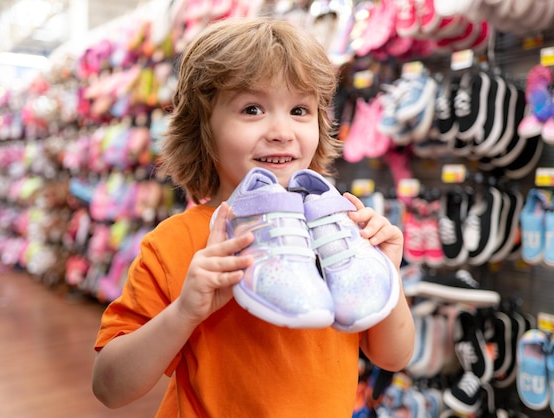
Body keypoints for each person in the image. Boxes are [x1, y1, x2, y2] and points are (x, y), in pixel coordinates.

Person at [92, 16, 414, 417]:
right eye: (252, 108)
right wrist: (184, 313)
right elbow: (109, 386)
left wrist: (388, 276)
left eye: (300, 109)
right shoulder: (178, 243)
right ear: (203, 129)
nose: (281, 131)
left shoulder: (340, 231)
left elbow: (393, 356)